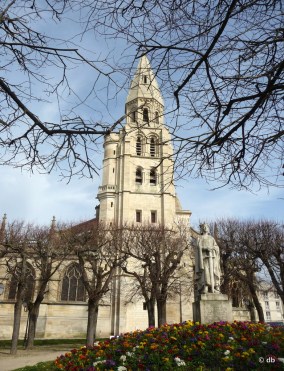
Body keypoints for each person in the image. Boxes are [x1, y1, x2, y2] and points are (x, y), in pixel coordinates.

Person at [194, 223, 221, 295]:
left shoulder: (211, 238)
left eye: (207, 226)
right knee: (205, 272)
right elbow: (197, 247)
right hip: (203, 258)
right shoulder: (199, 238)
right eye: (204, 227)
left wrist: (213, 249)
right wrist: (205, 248)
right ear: (202, 229)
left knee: (213, 271)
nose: (205, 228)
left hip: (212, 258)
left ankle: (214, 287)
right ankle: (205, 286)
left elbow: (216, 247)